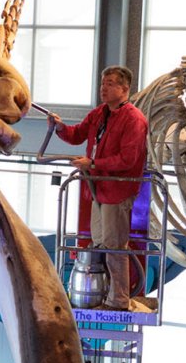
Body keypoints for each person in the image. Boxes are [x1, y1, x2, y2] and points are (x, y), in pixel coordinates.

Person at [48, 66, 149, 310]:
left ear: (125, 89)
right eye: (103, 83)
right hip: (97, 190)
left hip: (117, 191)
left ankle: (119, 299)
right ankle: (105, 294)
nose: (104, 88)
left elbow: (128, 159)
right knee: (101, 242)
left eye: (111, 83)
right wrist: (60, 128)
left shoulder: (134, 119)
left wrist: (93, 163)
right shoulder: (100, 113)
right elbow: (77, 135)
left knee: (115, 246)